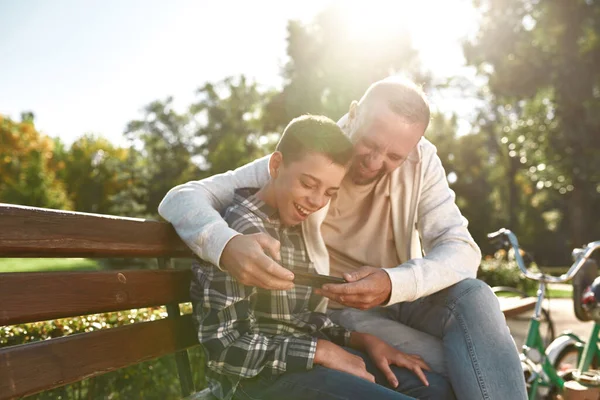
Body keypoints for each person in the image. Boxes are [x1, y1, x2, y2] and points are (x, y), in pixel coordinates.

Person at [160, 77, 528, 399]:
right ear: (354, 114)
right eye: (370, 143)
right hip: (341, 309)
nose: (374, 161)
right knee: (464, 369)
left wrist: (391, 282)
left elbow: (462, 250)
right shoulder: (315, 154)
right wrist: (225, 245)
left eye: (394, 155)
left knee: (475, 295)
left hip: (403, 293)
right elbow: (182, 198)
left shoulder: (421, 161)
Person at [190, 114, 451, 400]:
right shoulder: (238, 235)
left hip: (302, 364)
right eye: (308, 183)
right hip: (252, 382)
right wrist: (321, 351)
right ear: (276, 165)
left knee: (436, 389)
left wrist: (364, 340)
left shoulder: (297, 226)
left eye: (329, 192)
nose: (316, 201)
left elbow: (304, 319)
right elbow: (226, 350)